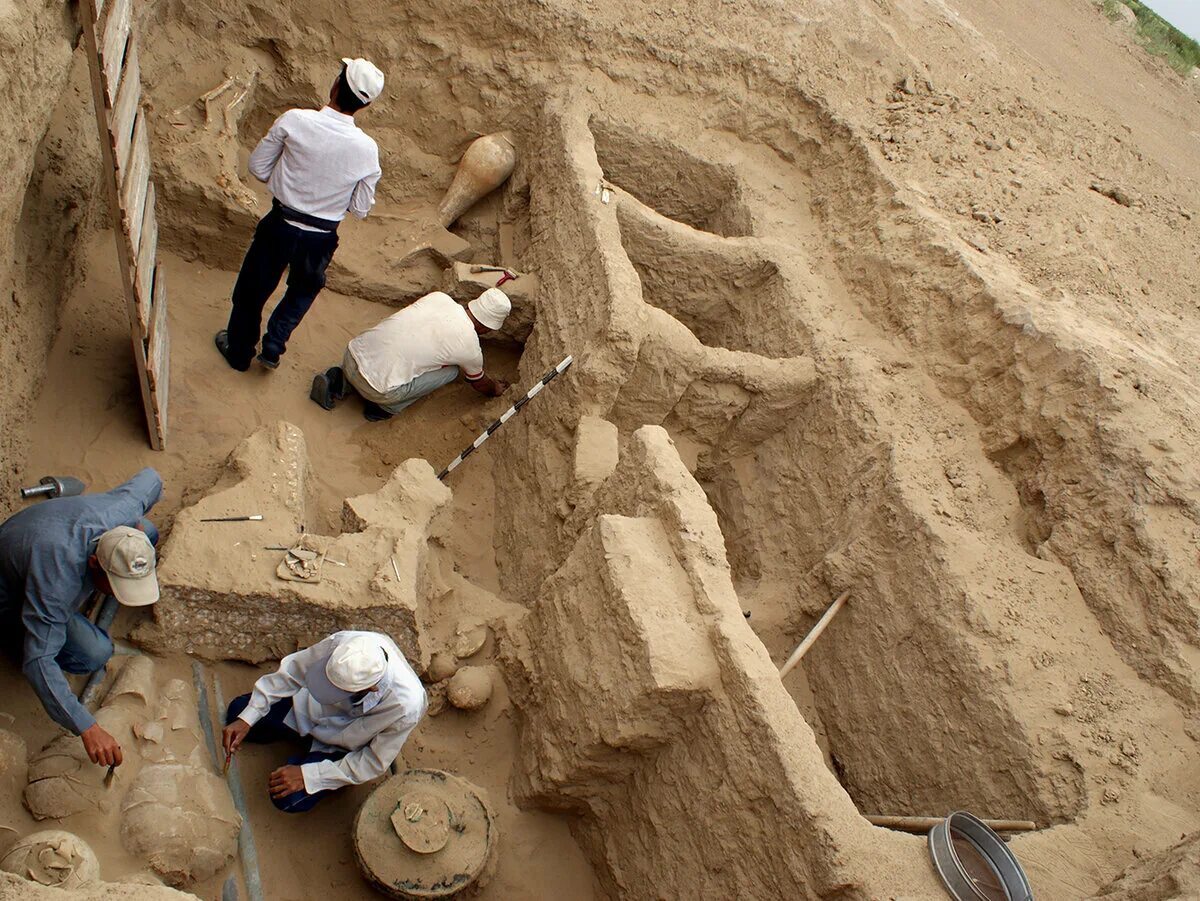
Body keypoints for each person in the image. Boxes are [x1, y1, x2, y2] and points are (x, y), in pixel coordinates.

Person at [215, 57, 386, 372]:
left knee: (252, 289)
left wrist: (290, 182)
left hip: (280, 223)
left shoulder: (295, 120)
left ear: (336, 84)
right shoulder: (367, 150)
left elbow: (258, 167)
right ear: (366, 104)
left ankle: (239, 351)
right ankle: (274, 344)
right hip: (320, 237)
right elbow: (361, 209)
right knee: (303, 290)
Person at [0, 469, 163, 769]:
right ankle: (15, 635)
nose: (118, 595)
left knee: (147, 532)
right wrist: (88, 727)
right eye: (114, 586)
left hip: (48, 530)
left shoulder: (125, 509)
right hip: (11, 590)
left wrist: (135, 525)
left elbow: (152, 478)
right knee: (95, 652)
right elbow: (39, 661)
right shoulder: (57, 581)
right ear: (93, 564)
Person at [221, 631, 426, 813]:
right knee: (238, 712)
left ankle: (317, 767)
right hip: (306, 710)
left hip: (343, 748)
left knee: (287, 798)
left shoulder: (407, 706)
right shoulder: (346, 644)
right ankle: (292, 739)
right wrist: (248, 718)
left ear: (371, 688)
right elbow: (293, 672)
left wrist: (310, 776)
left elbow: (373, 761)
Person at [310, 288, 512, 421]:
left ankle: (340, 381)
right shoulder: (470, 348)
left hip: (351, 354)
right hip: (378, 390)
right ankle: (383, 408)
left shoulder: (439, 297)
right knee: (451, 372)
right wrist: (496, 388)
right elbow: (479, 382)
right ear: (488, 327)